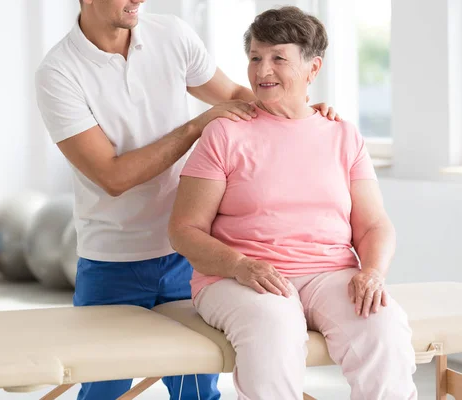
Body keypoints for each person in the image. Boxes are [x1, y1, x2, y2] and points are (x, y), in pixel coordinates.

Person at [35, 1, 338, 399]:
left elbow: (231, 94)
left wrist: (297, 113)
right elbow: (112, 176)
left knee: (197, 390)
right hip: (113, 260)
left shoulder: (171, 34)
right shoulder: (58, 71)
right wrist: (197, 125)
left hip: (190, 255)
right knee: (102, 389)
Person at [168, 6, 418, 400]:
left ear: (312, 68)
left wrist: (372, 271)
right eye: (255, 57)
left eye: (278, 58)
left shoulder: (342, 135)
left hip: (329, 273)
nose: (262, 70)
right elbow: (184, 230)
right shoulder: (224, 133)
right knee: (276, 327)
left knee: (383, 326)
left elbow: (373, 226)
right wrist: (240, 265)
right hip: (238, 276)